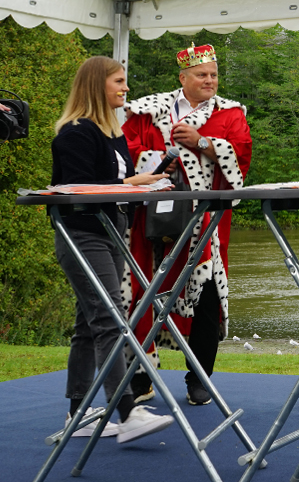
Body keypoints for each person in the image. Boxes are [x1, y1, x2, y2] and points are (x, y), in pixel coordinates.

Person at [51, 56, 174, 443]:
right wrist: (130, 185)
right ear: (96, 85)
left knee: (89, 324)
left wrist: (142, 184)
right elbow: (78, 190)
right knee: (110, 318)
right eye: (118, 81)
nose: (125, 88)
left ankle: (78, 412)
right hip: (83, 234)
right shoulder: (74, 133)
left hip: (111, 232)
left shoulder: (112, 132)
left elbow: (112, 181)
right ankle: (126, 410)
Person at [123, 43, 253, 406]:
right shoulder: (148, 112)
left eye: (213, 74)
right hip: (149, 216)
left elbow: (242, 155)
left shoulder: (230, 113)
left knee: (206, 293)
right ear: (183, 78)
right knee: (142, 291)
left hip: (205, 221)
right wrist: (161, 160)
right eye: (202, 74)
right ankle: (141, 373)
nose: (209, 80)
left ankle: (199, 377)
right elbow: (126, 152)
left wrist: (204, 144)